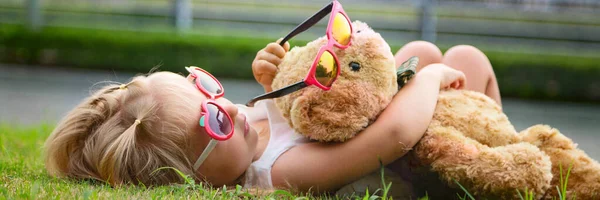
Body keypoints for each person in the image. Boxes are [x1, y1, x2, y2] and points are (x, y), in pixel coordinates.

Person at [44, 38, 498, 194]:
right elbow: (393, 136)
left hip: (388, 127)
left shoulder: (246, 129)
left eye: (207, 90)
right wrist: (432, 77)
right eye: (214, 122)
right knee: (466, 61)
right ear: (194, 178)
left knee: (417, 52)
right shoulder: (280, 173)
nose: (229, 110)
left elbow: (298, 121)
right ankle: (504, 159)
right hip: (421, 156)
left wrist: (272, 82)